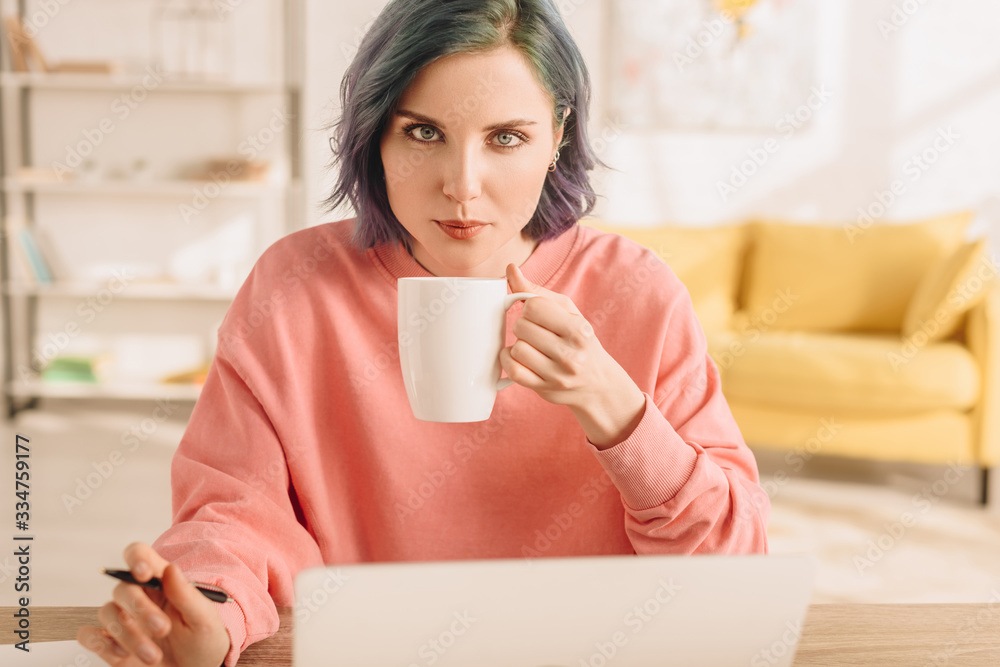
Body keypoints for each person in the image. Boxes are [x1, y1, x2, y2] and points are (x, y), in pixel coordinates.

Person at [77, 0, 770, 665]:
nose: (462, 186)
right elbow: (236, 512)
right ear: (375, 134)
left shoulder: (638, 292)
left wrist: (619, 413)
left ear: (558, 134)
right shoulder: (292, 288)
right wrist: (208, 610)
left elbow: (734, 572)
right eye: (423, 132)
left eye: (507, 137)